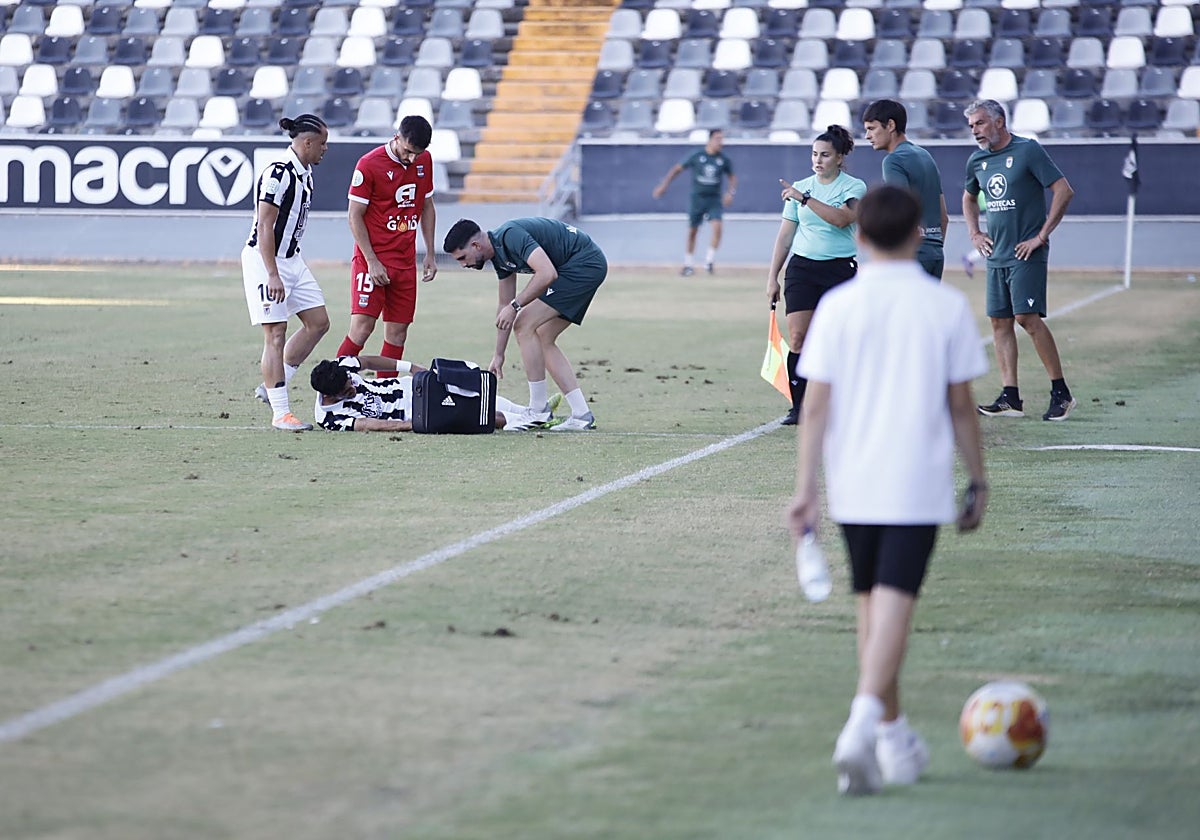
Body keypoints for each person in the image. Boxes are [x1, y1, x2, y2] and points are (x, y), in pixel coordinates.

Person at [787, 184, 989, 796]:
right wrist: (979, 478)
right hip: (916, 480)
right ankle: (860, 725)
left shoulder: (839, 307)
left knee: (872, 607)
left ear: (859, 236)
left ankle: (893, 738)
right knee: (895, 603)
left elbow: (814, 407)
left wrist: (807, 489)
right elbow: (961, 408)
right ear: (918, 233)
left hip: (852, 481)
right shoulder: (944, 306)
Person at [962, 99, 1077, 421]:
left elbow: (1064, 190)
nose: (975, 131)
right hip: (996, 255)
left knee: (1026, 318)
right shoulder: (977, 160)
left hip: (1026, 253)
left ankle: (1061, 393)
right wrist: (974, 233)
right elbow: (968, 196)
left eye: (980, 123)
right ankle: (1010, 397)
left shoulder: (1029, 151)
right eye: (972, 126)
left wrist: (1041, 237)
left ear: (999, 122)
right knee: (1000, 322)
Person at [442, 217, 606, 431]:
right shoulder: (499, 257)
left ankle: (538, 411)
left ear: (476, 245)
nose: (463, 264)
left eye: (462, 257)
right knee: (543, 338)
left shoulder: (510, 236)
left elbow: (547, 273)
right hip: (578, 267)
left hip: (583, 264)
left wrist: (516, 305)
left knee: (524, 324)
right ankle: (582, 415)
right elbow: (504, 305)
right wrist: (498, 354)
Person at [767, 125, 867, 426]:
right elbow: (785, 237)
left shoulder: (854, 187)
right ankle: (799, 407)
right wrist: (772, 277)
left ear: (839, 158)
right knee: (798, 337)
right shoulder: (800, 186)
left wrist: (805, 198)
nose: (818, 160)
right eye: (814, 154)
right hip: (802, 269)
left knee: (838, 340)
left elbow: (842, 219)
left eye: (825, 155)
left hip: (839, 269)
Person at [243, 114, 332, 432]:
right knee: (275, 333)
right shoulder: (278, 174)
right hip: (267, 262)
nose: (325, 150)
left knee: (318, 323)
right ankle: (281, 413)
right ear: (307, 142)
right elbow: (265, 225)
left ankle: (272, 387)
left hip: (293, 260)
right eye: (322, 144)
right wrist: (272, 274)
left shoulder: (305, 173)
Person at [335, 115, 438, 377]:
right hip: (373, 260)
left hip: (404, 263)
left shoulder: (424, 161)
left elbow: (427, 206)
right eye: (407, 151)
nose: (411, 159)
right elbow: (354, 215)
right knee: (362, 328)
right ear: (397, 138)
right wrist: (371, 261)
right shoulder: (369, 164)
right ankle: (333, 390)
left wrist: (429, 253)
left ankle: (384, 394)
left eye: (417, 154)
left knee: (398, 333)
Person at [310, 356, 550, 432]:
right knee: (475, 415)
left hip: (412, 386)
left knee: (470, 390)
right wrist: (411, 424)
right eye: (346, 391)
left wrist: (410, 367)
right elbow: (369, 424)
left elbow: (369, 360)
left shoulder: (341, 367)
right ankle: (535, 421)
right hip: (415, 412)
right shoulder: (329, 418)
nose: (352, 386)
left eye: (351, 381)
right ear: (330, 396)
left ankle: (530, 412)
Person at [862, 99, 949, 280]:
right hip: (935, 253)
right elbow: (943, 217)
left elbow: (898, 213)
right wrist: (934, 247)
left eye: (871, 128)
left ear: (891, 125)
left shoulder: (893, 160)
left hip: (912, 255)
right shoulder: (925, 156)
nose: (867, 136)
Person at [651, 128, 737, 276]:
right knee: (693, 231)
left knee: (717, 227)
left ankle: (709, 262)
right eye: (717, 139)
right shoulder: (697, 156)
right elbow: (677, 169)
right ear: (710, 140)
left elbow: (732, 177)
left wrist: (730, 193)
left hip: (714, 199)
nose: (720, 142)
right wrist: (664, 185)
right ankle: (688, 264)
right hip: (697, 198)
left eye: (722, 139)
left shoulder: (723, 159)